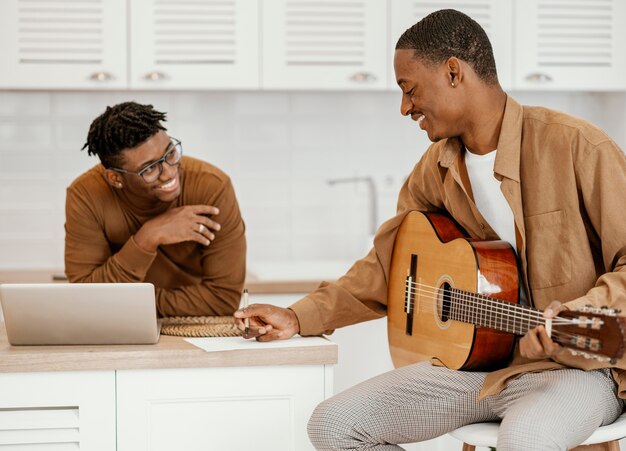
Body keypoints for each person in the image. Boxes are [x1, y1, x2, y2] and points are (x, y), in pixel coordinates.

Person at [234, 9, 626, 451]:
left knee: (527, 438)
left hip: (578, 370)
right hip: (479, 371)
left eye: (409, 89)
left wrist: (573, 317)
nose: (405, 108)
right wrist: (300, 316)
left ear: (453, 72)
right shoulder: (434, 169)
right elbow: (389, 268)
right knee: (333, 425)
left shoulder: (576, 146)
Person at [65, 101, 246, 317]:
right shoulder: (85, 196)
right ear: (115, 178)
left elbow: (223, 300)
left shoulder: (211, 186)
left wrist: (132, 305)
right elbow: (86, 297)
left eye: (170, 153)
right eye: (149, 168)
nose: (169, 172)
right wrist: (148, 237)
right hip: (120, 330)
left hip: (197, 331)